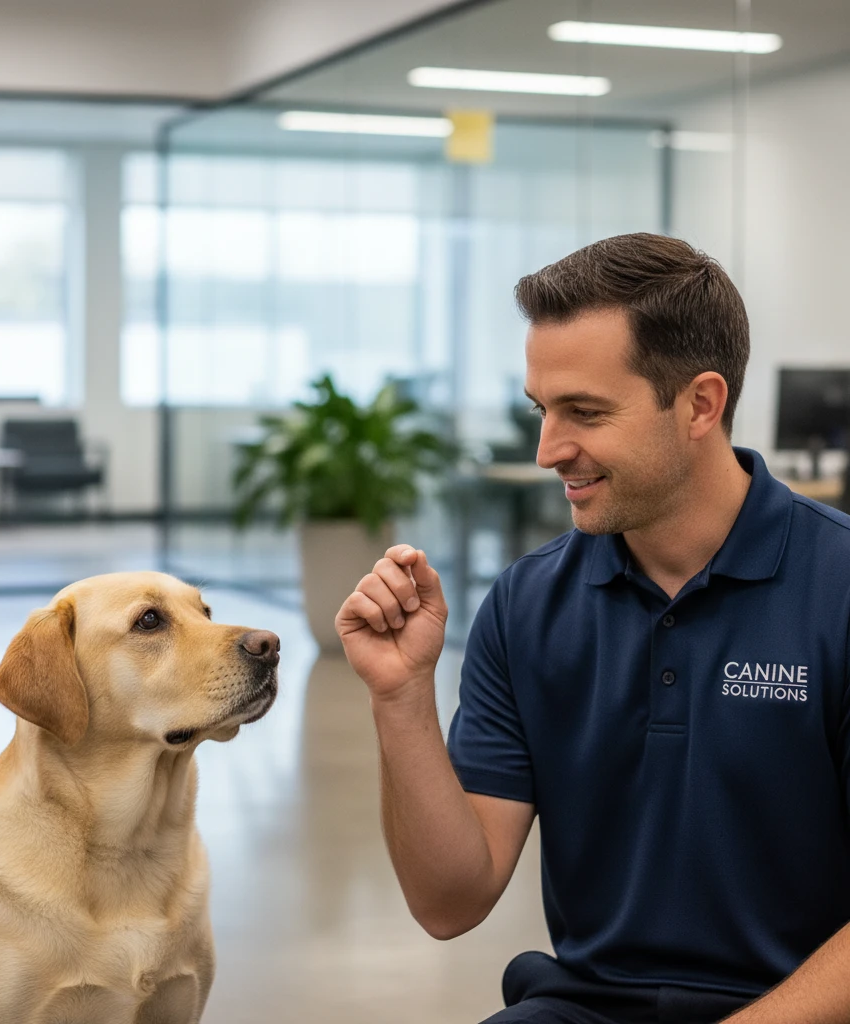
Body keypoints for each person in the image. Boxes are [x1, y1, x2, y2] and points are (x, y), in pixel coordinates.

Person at [336, 233, 850, 1024]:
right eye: (542, 410)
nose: (549, 450)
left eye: (585, 412)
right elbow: (450, 900)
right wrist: (402, 697)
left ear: (700, 405)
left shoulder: (839, 586)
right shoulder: (526, 603)